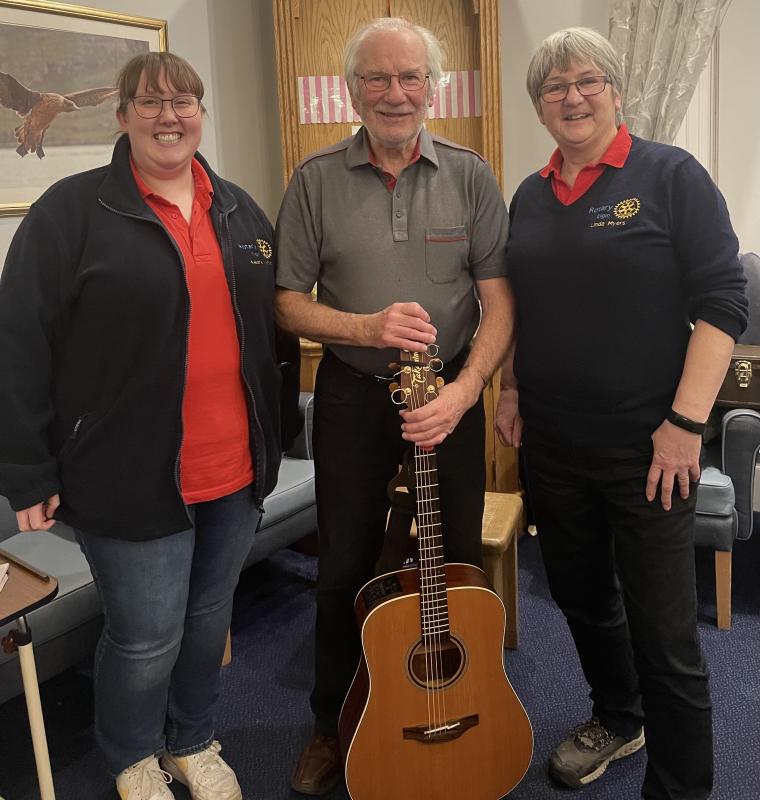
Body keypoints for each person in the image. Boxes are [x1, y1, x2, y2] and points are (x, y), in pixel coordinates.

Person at [0, 52, 300, 800]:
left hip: (232, 470)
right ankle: (133, 755)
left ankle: (193, 739)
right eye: (152, 101)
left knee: (207, 623)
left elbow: (275, 330)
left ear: (201, 114)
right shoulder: (69, 213)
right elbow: (18, 345)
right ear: (123, 114)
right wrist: (28, 472)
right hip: (126, 476)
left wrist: (281, 433)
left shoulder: (238, 210)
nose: (170, 115)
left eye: (185, 101)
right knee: (144, 637)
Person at [496, 27, 747, 800]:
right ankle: (618, 715)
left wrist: (683, 426)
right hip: (553, 440)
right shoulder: (531, 195)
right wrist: (508, 388)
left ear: (615, 88)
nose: (572, 97)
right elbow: (518, 304)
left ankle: (680, 786)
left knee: (666, 632)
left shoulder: (670, 175)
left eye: (587, 81)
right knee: (578, 595)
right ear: (539, 107)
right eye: (554, 88)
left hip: (649, 447)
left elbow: (722, 304)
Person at [274, 16, 513, 796]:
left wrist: (466, 392)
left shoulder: (472, 175)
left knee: (453, 567)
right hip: (350, 395)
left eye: (411, 77)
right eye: (377, 78)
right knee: (342, 563)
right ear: (352, 90)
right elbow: (287, 305)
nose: (395, 93)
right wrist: (365, 326)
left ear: (432, 87)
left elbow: (499, 303)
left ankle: (462, 699)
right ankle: (329, 723)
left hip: (448, 395)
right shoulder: (313, 179)